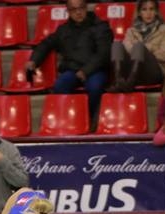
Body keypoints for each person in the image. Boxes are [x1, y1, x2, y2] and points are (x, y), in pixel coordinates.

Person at [27, 0, 113, 129]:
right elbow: (46, 44)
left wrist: (86, 71)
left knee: (94, 86)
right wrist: (34, 60)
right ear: (68, 11)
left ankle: (90, 119)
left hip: (95, 69)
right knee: (60, 85)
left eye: (81, 8)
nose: (78, 12)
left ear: (86, 7)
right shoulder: (63, 30)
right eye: (73, 9)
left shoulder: (101, 27)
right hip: (72, 69)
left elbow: (103, 54)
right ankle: (69, 121)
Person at [108, 0, 165, 92]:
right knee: (116, 44)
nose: (148, 13)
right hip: (131, 69)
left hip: (153, 72)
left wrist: (144, 50)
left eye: (151, 9)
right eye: (144, 9)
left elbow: (164, 55)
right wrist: (141, 51)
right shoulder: (131, 31)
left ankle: (130, 82)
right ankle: (118, 80)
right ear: (139, 13)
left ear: (156, 12)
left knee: (139, 46)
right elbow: (127, 49)